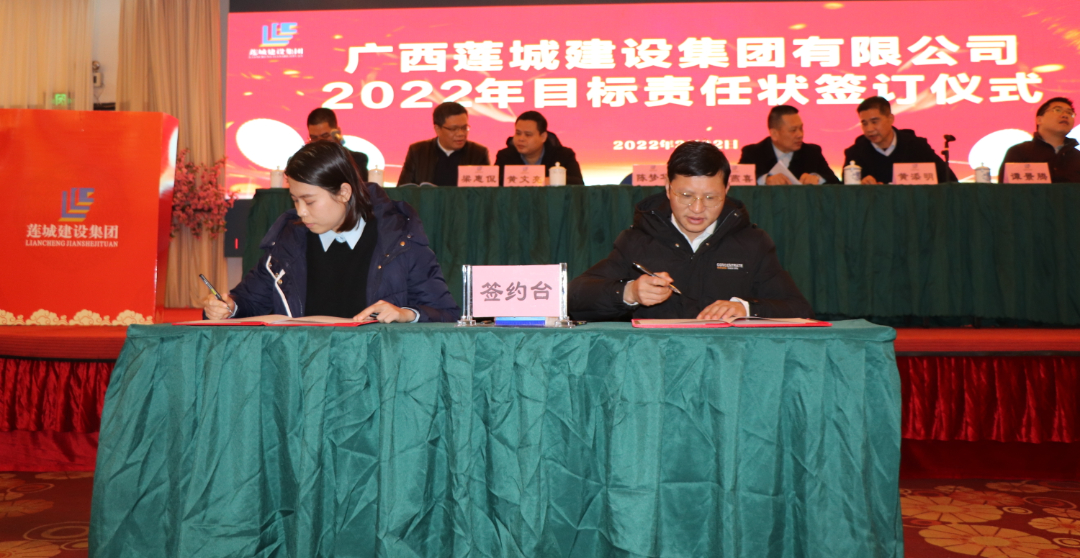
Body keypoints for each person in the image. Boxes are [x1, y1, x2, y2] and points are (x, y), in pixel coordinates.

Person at [203, 141, 460, 323]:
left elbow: (445, 313)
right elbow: (249, 301)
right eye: (295, 200)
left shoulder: (399, 240)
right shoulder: (289, 240)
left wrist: (406, 314)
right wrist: (228, 307)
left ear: (344, 193)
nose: (301, 212)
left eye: (309, 201)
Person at [568, 141, 813, 321]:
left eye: (711, 197)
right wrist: (629, 292)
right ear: (668, 187)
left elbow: (799, 310)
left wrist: (746, 309)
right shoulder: (638, 240)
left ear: (727, 189)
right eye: (686, 195)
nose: (697, 209)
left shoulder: (752, 243)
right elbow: (574, 298)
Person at [843, 96, 957, 184]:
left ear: (890, 119)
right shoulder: (855, 153)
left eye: (874, 122)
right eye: (864, 123)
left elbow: (949, 181)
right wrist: (860, 185)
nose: (869, 129)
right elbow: (844, 193)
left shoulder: (916, 146)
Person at [739, 105, 840, 184]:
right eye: (793, 130)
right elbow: (737, 182)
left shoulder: (812, 152)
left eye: (801, 128)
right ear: (774, 134)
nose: (800, 135)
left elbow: (835, 182)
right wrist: (765, 180)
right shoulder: (753, 153)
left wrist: (818, 178)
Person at [398, 102, 490, 186]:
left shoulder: (478, 154)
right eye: (454, 129)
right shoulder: (418, 152)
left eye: (464, 128)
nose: (461, 133)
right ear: (437, 129)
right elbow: (403, 191)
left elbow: (487, 193)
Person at [998, 97, 1080, 183]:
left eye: (1069, 113)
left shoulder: (1077, 157)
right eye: (1057, 110)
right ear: (1039, 119)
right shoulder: (1019, 152)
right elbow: (1006, 189)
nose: (1065, 115)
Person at [493, 111, 584, 185]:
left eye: (528, 135)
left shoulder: (563, 155)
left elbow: (578, 183)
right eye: (518, 133)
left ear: (543, 137)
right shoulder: (505, 156)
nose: (521, 139)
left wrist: (553, 180)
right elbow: (493, 184)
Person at [307, 107, 369, 182]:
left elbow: (359, 187)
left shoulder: (357, 160)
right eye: (314, 138)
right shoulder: (304, 163)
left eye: (325, 136)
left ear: (337, 133)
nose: (320, 142)